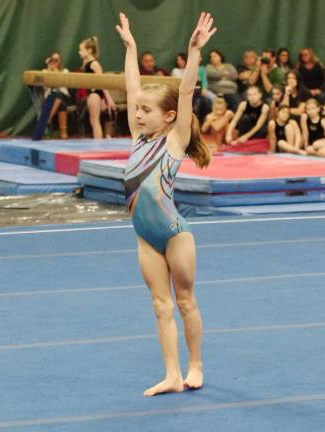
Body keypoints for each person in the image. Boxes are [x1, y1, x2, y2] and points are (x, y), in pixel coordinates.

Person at [116, 11, 214, 396]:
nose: (138, 114)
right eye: (137, 110)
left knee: (185, 301)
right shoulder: (137, 139)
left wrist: (194, 53)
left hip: (175, 235)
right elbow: (131, 86)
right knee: (160, 306)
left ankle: (195, 365)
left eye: (146, 110)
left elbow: (187, 91)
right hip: (144, 236)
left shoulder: (174, 141)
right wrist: (131, 47)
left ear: (169, 116)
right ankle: (172, 375)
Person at [78, 36, 117, 138]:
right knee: (93, 121)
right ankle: (98, 142)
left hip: (95, 94)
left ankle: (98, 144)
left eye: (81, 49)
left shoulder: (94, 64)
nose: (79, 52)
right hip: (92, 93)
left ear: (89, 50)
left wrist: (108, 99)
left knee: (95, 121)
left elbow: (102, 82)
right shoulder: (87, 63)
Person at [37, 51, 71, 139]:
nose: (55, 62)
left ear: (60, 61)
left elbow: (63, 83)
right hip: (50, 98)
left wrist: (55, 70)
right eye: (53, 60)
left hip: (63, 96)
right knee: (61, 103)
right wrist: (49, 69)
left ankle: (47, 120)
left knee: (59, 94)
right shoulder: (44, 71)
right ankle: (63, 133)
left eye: (57, 60)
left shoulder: (65, 71)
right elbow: (44, 86)